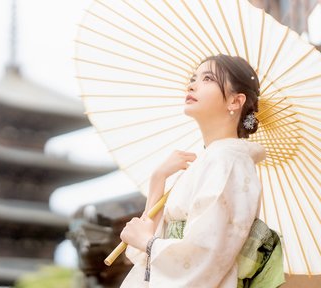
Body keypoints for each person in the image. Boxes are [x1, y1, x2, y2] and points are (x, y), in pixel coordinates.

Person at [119, 54, 285, 288]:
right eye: (193, 78)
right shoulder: (210, 159)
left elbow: (207, 250)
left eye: (207, 79)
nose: (192, 84)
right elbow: (151, 242)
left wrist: (148, 243)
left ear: (235, 102)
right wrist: (158, 180)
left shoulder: (228, 161)